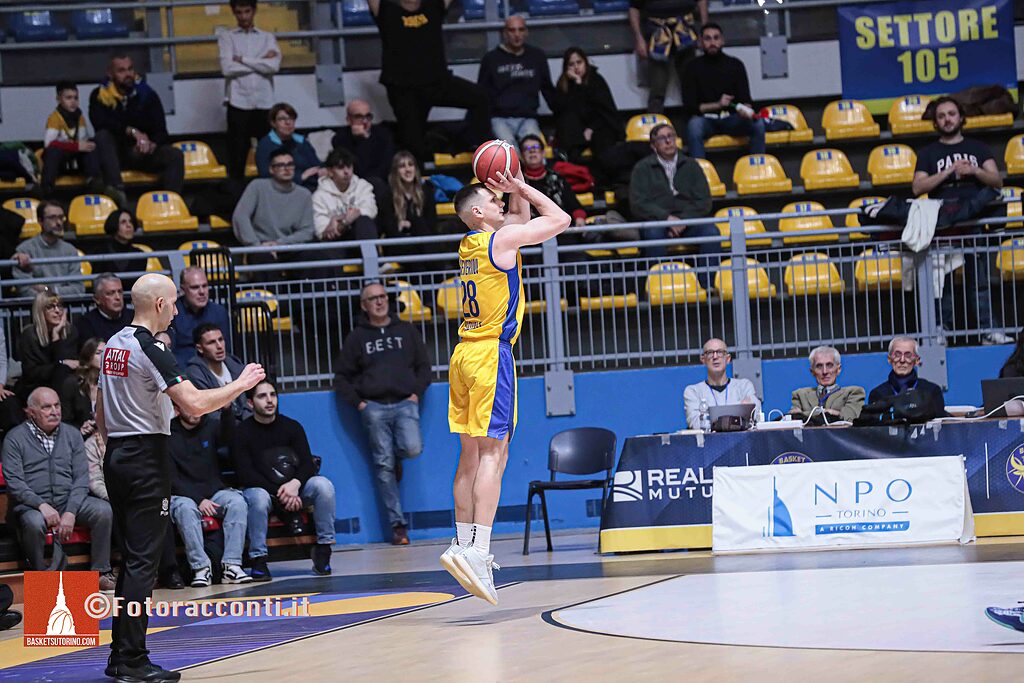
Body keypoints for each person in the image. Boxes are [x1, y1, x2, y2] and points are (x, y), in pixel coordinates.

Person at [97, 272, 265, 682]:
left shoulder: (113, 344)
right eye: (172, 303)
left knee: (131, 560)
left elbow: (100, 412)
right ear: (159, 304)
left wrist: (118, 449)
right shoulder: (150, 347)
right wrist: (240, 384)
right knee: (144, 563)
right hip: (145, 456)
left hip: (117, 453)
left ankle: (121, 655)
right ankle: (132, 660)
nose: (176, 311)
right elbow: (193, 404)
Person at [442, 170, 570, 604]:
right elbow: (561, 220)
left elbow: (518, 220)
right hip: (491, 357)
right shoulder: (501, 241)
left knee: (469, 454)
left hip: (462, 355)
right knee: (495, 454)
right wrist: (522, 187)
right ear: (478, 212)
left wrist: (513, 192)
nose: (502, 203)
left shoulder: (470, 244)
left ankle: (461, 542)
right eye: (493, 199)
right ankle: (479, 551)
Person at [333, 282, 431, 545]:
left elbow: (424, 366)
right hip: (374, 408)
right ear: (364, 305)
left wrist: (415, 394)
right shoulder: (356, 338)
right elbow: (341, 377)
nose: (379, 302)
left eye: (382, 297)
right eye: (373, 298)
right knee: (383, 466)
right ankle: (398, 525)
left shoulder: (406, 331)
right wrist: (360, 404)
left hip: (405, 403)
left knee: (412, 448)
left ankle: (395, 455)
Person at [912, 96, 1011, 346]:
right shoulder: (928, 153)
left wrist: (974, 170)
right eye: (941, 116)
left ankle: (988, 329)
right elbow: (918, 187)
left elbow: (997, 181)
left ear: (961, 117)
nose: (947, 119)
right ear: (936, 122)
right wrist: (948, 172)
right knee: (942, 280)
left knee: (979, 278)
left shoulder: (978, 148)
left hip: (974, 220)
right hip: (944, 222)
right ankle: (940, 330)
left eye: (951, 114)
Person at [2, 387, 114, 589]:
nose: (54, 411)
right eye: (47, 407)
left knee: (103, 511)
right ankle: (40, 577)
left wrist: (71, 511)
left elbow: (81, 478)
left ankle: (101, 572)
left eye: (57, 405)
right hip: (32, 506)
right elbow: (15, 483)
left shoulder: (72, 434)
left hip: (67, 501)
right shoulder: (14, 438)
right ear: (31, 412)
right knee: (34, 522)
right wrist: (41, 505)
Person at [234, 379, 337, 581]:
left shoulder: (292, 427)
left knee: (323, 486)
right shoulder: (243, 433)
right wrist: (282, 492)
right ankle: (258, 558)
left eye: (272, 395)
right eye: (262, 396)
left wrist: (295, 485)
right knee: (258, 497)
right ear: (250, 403)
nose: (269, 400)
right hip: (263, 490)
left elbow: (307, 464)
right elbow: (245, 473)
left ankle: (324, 549)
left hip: (293, 488)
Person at [368, 0, 490, 163]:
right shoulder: (386, 10)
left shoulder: (433, 6)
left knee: (480, 98)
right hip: (404, 91)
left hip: (437, 83)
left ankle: (481, 152)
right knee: (415, 148)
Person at [169, 406, 252, 587]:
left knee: (237, 502)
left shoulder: (211, 425)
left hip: (213, 491)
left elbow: (229, 438)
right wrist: (199, 500)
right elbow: (170, 478)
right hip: (183, 494)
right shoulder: (168, 433)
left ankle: (232, 565)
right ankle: (201, 568)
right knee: (185, 509)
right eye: (189, 406)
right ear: (177, 409)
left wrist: (227, 411)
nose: (195, 411)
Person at [89, 54, 184, 196]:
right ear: (110, 73)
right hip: (116, 155)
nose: (128, 74)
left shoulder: (147, 95)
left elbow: (161, 131)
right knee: (103, 136)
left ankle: (172, 202)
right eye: (121, 71)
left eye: (130, 69)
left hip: (143, 153)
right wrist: (131, 131)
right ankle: (117, 193)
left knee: (175, 155)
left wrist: (151, 144)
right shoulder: (99, 96)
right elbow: (101, 123)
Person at [628, 123, 715, 268]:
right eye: (662, 138)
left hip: (688, 221)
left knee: (711, 232)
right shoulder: (642, 168)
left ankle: (707, 281)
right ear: (653, 146)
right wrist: (667, 219)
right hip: (658, 222)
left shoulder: (691, 165)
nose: (668, 141)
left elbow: (704, 201)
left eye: (671, 136)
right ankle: (657, 281)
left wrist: (682, 220)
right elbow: (638, 203)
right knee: (653, 235)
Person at [682, 23, 766, 161]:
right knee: (694, 126)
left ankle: (757, 168)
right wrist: (718, 105)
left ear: (722, 41)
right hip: (706, 120)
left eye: (716, 38)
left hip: (732, 118)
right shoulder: (692, 68)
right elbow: (690, 107)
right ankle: (699, 172)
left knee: (758, 124)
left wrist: (746, 111)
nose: (712, 42)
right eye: (708, 39)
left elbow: (746, 100)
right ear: (701, 42)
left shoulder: (735, 65)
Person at [219, 0, 281, 181]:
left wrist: (243, 59)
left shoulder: (267, 37)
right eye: (239, 12)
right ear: (234, 13)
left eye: (247, 11)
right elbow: (227, 69)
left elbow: (273, 66)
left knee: (268, 155)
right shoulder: (227, 37)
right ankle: (237, 195)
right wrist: (260, 60)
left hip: (264, 102)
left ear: (254, 11)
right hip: (238, 102)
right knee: (236, 158)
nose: (244, 17)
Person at [477, 16, 558, 150]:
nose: (517, 35)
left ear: (526, 32)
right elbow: (481, 93)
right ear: (505, 33)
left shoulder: (537, 56)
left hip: (528, 118)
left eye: (521, 30)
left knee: (534, 152)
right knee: (510, 152)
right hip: (499, 118)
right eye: (512, 30)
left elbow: (548, 89)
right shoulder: (491, 59)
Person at [628, 0, 707, 114]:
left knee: (691, 84)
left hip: (685, 33)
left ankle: (695, 119)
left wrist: (704, 30)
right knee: (657, 86)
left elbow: (702, 1)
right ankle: (655, 122)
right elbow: (634, 8)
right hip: (657, 35)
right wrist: (639, 38)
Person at [554, 47, 623, 163]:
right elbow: (567, 111)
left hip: (599, 125)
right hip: (577, 128)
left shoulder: (596, 80)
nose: (576, 67)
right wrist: (578, 84)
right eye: (571, 64)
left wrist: (591, 128)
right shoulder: (563, 84)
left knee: (604, 148)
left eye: (579, 62)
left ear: (585, 62)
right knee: (568, 127)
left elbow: (604, 111)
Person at [12, 200, 86, 298]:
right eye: (52, 218)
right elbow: (24, 290)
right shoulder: (25, 249)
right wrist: (46, 302)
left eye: (61, 217)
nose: (59, 222)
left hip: (64, 304)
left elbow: (78, 289)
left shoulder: (70, 250)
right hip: (35, 306)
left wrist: (49, 290)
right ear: (40, 221)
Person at [42, 81, 103, 198]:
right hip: (60, 160)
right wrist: (75, 146)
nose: (73, 101)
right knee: (53, 152)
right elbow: (49, 144)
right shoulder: (54, 118)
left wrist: (84, 146)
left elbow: (83, 141)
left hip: (75, 157)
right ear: (59, 99)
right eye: (68, 98)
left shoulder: (80, 118)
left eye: (76, 98)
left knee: (91, 146)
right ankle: (47, 188)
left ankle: (94, 181)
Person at [683, 338, 760, 430]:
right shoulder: (693, 391)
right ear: (703, 359)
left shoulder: (744, 386)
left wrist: (712, 419)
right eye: (710, 352)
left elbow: (755, 415)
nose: (715, 357)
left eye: (720, 352)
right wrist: (738, 411)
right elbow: (696, 424)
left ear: (728, 359)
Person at [17, 291, 79, 404]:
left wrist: (56, 336)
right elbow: (31, 373)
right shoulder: (29, 335)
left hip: (63, 383)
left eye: (59, 306)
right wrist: (61, 364)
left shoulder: (70, 331)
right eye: (50, 307)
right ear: (40, 311)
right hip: (35, 386)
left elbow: (69, 367)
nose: (57, 311)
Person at [185, 323, 250, 426]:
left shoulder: (234, 364)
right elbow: (209, 414)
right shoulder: (195, 373)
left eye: (221, 339)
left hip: (243, 425)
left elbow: (246, 405)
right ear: (200, 348)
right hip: (216, 428)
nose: (219, 346)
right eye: (211, 342)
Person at [312, 148, 379, 246]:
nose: (347, 171)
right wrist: (346, 221)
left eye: (349, 166)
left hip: (358, 236)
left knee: (364, 222)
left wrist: (343, 220)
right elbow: (322, 232)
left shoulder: (362, 186)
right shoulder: (319, 196)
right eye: (341, 167)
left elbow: (371, 211)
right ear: (330, 171)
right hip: (336, 244)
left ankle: (371, 256)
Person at [866, 336, 946, 415]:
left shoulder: (931, 391)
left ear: (917, 360)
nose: (902, 360)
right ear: (889, 359)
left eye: (908, 355)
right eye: (897, 355)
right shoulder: (878, 394)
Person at [171, 267, 231, 367]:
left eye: (205, 286)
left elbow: (226, 350)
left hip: (213, 369)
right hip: (182, 369)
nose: (202, 292)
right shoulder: (172, 312)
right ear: (182, 290)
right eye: (195, 287)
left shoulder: (219, 312)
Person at [789, 345, 865, 423]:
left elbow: (849, 418)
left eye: (829, 365)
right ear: (812, 371)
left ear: (838, 369)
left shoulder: (853, 393)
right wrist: (830, 413)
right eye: (819, 366)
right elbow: (794, 419)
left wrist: (804, 414)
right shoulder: (800, 395)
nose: (825, 371)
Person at [254, 103, 322, 190]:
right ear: (273, 123)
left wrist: (323, 170)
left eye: (291, 118)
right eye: (282, 119)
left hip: (310, 186)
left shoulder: (301, 141)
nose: (288, 122)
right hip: (281, 190)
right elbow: (266, 175)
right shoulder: (265, 145)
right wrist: (300, 177)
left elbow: (316, 164)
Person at [331, 99, 396, 186]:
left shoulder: (383, 135)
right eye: (359, 117)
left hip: (380, 181)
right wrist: (361, 140)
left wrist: (366, 138)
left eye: (368, 116)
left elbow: (386, 166)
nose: (365, 121)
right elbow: (354, 168)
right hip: (352, 183)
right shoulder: (340, 138)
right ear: (349, 120)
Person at [59, 337, 104, 434]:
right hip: (80, 437)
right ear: (88, 356)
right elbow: (65, 420)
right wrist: (79, 429)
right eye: (99, 353)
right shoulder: (72, 384)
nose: (105, 356)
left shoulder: (113, 383)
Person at [76, 273, 134, 345]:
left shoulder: (134, 317)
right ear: (97, 299)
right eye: (110, 293)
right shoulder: (86, 323)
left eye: (120, 292)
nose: (118, 297)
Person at [98, 211, 147, 290]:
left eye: (130, 222)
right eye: (123, 222)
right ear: (114, 225)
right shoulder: (101, 253)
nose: (129, 225)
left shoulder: (140, 255)